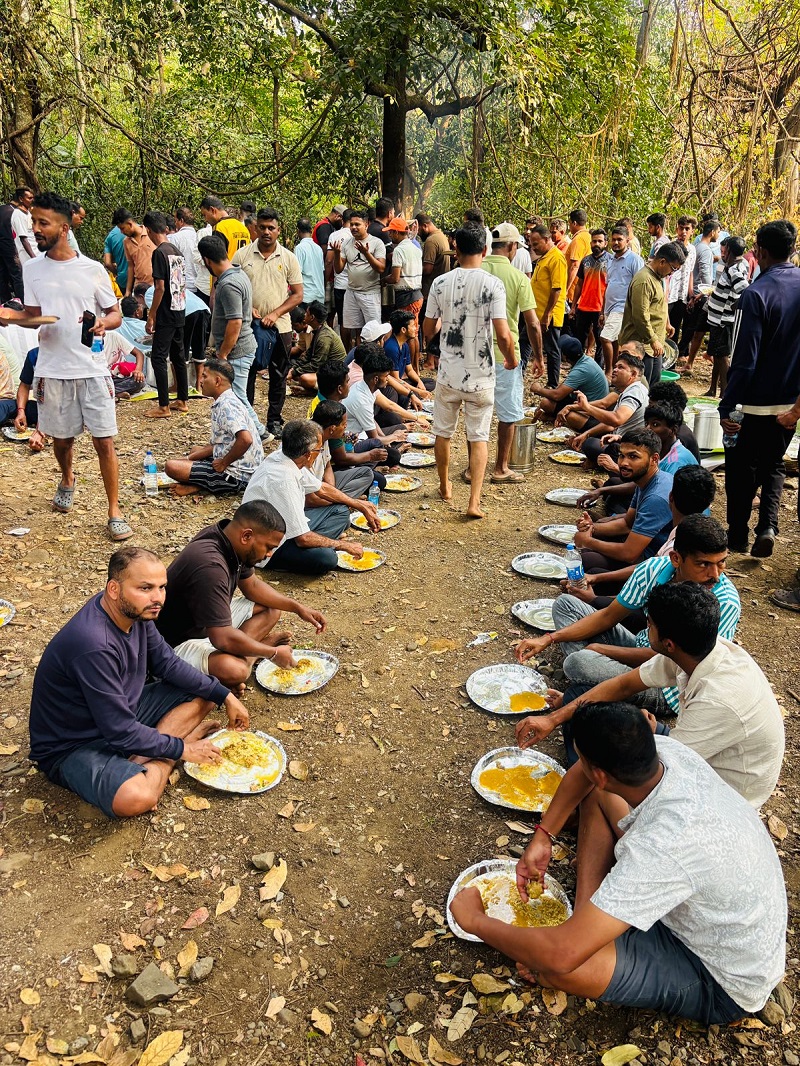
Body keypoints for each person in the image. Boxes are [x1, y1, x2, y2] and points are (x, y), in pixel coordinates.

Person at [451, 702, 787, 1025]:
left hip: (719, 977)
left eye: (582, 761)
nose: (581, 769)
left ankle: (586, 935)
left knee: (558, 966)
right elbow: (587, 779)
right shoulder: (666, 752)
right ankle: (588, 920)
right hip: (715, 914)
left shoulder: (661, 848)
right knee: (600, 798)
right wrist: (544, 835)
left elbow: (561, 954)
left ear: (598, 771)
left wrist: (475, 921)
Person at [28, 546, 252, 819]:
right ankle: (164, 758)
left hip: (123, 711)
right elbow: (120, 730)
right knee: (138, 797)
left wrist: (225, 696)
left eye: (162, 587)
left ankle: (145, 757)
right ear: (114, 589)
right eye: (145, 588)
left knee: (206, 692)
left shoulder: (137, 613)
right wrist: (183, 749)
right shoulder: (93, 644)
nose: (157, 598)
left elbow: (168, 664)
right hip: (74, 744)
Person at [529, 582, 783, 807]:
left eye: (649, 625)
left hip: (722, 795)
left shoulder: (719, 699)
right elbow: (622, 686)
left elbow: (669, 771)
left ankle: (588, 804)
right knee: (586, 706)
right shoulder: (697, 650)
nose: (646, 629)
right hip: (696, 746)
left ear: (668, 643)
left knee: (604, 781)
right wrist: (553, 719)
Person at [0, 191, 133, 540]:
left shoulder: (91, 269)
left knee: (104, 441)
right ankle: (67, 476)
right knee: (62, 440)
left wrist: (106, 323)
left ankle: (114, 510)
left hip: (91, 368)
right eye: (34, 222)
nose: (35, 229)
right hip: (51, 369)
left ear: (63, 227)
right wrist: (12, 317)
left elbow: (115, 312)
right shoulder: (32, 269)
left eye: (43, 223)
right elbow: (33, 316)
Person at [516, 514, 739, 717]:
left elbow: (677, 663)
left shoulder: (725, 602)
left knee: (579, 661)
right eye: (704, 564)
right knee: (566, 605)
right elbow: (608, 616)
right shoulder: (653, 570)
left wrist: (604, 650)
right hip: (641, 645)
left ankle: (586, 691)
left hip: (668, 685)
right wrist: (549, 638)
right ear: (676, 559)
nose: (715, 575)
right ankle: (593, 690)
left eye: (721, 563)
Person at [156, 500, 328, 688]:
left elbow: (252, 586)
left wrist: (297, 607)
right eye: (269, 547)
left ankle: (247, 652)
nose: (269, 554)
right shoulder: (210, 566)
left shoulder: (228, 539)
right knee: (236, 670)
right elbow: (221, 638)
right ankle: (248, 658)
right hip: (176, 643)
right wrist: (272, 653)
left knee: (272, 608)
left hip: (205, 624)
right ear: (246, 536)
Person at [719, 219, 800, 558]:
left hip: (752, 406)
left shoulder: (755, 295)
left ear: (761, 253)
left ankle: (737, 534)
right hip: (787, 405)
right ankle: (767, 526)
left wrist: (728, 407)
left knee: (740, 469)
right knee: (774, 464)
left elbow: (745, 360)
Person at [423, 222, 515, 518]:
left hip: (449, 372)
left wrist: (438, 328)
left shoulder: (440, 283)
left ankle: (444, 485)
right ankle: (474, 501)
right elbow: (502, 333)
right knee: (479, 437)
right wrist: (511, 358)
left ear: (456, 250)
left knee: (443, 432)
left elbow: (427, 329)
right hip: (481, 374)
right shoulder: (493, 284)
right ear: (485, 250)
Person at [243, 419, 365, 574]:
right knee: (327, 558)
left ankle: (318, 544)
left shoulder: (287, 458)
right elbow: (303, 539)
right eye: (319, 450)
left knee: (340, 511)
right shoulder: (283, 480)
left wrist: (358, 505)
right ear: (308, 455)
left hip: (286, 528)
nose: (320, 454)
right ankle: (286, 562)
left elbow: (322, 489)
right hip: (269, 545)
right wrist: (343, 546)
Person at [232, 207, 303, 440]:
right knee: (248, 372)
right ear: (255, 228)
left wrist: (275, 313)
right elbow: (230, 286)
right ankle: (248, 420)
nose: (266, 232)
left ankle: (274, 421)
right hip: (249, 326)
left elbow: (297, 295)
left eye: (271, 228)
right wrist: (246, 307)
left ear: (278, 230)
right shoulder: (242, 256)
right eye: (261, 227)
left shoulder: (289, 257)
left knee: (278, 375)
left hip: (281, 326)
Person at [482, 222, 542, 482]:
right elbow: (533, 323)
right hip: (506, 356)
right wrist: (539, 356)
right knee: (507, 415)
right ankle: (500, 468)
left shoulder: (474, 270)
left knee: (478, 413)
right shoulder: (519, 278)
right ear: (512, 247)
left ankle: (474, 467)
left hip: (474, 355)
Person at [571, 428, 674, 575]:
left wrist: (587, 541)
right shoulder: (645, 480)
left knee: (586, 560)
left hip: (656, 563)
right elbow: (627, 523)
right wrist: (591, 528)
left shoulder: (656, 497)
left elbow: (629, 554)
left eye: (633, 457)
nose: (623, 463)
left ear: (654, 459)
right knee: (597, 534)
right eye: (621, 455)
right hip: (643, 547)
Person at [198, 234, 270, 442]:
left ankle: (259, 431)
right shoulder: (237, 273)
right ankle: (252, 430)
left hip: (238, 349)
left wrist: (223, 355)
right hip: (241, 346)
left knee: (237, 396)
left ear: (207, 261)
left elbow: (235, 322)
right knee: (238, 394)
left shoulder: (229, 284)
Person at [164, 359, 263, 496]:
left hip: (237, 476)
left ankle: (199, 486)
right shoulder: (227, 399)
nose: (200, 381)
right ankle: (198, 484)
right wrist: (188, 459)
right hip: (244, 466)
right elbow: (220, 444)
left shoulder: (226, 406)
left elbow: (246, 440)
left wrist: (224, 462)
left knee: (171, 466)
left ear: (217, 381)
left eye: (204, 376)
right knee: (195, 451)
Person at [309, 360, 391, 486]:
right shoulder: (331, 414)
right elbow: (341, 459)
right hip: (332, 465)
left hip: (336, 454)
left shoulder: (324, 399)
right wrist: (370, 456)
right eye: (347, 382)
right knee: (379, 480)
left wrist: (346, 437)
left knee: (377, 444)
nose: (350, 385)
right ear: (340, 389)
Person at [563, 347, 649, 464]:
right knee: (588, 439)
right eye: (615, 366)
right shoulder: (628, 390)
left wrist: (587, 407)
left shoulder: (635, 391)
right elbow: (612, 425)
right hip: (619, 437)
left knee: (590, 445)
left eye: (621, 367)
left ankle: (604, 462)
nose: (615, 370)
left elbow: (616, 419)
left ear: (633, 374)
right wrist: (586, 434)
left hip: (631, 447)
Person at [619, 242, 686, 387]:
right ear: (662, 261)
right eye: (673, 268)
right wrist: (653, 339)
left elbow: (658, 305)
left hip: (654, 345)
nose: (672, 273)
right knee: (641, 387)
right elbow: (640, 316)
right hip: (641, 345)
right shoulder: (644, 280)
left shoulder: (657, 278)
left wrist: (666, 324)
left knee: (653, 386)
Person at [141, 210, 187, 419]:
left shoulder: (159, 252)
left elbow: (159, 287)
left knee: (159, 357)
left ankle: (163, 406)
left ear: (149, 231)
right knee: (178, 355)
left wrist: (152, 315)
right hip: (180, 309)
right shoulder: (175, 250)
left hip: (167, 311)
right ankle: (182, 400)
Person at [704, 235, 749, 398]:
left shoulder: (735, 270)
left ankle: (725, 392)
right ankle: (713, 388)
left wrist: (731, 308)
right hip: (716, 320)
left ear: (728, 250)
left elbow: (745, 291)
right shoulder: (732, 265)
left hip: (723, 321)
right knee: (716, 354)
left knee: (722, 357)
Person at [309, 399, 380, 499]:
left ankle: (339, 500)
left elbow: (327, 466)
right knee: (342, 512)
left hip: (323, 485)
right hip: (311, 493)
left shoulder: (324, 437)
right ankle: (339, 502)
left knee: (367, 473)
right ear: (332, 429)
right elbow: (309, 491)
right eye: (343, 424)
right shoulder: (309, 446)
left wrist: (332, 490)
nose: (346, 427)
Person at [335, 210, 386, 346]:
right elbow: (338, 269)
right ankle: (351, 359)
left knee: (374, 331)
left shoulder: (377, 243)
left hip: (370, 293)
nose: (353, 227)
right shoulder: (346, 243)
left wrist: (366, 253)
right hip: (351, 292)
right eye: (351, 224)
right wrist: (336, 253)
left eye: (357, 224)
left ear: (367, 224)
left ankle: (375, 359)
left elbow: (381, 268)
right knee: (353, 328)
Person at [600, 226, 644, 376]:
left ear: (627, 240)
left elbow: (640, 285)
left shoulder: (635, 260)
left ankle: (608, 371)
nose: (616, 242)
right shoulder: (611, 259)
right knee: (614, 341)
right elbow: (609, 285)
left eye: (620, 239)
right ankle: (616, 371)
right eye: (614, 239)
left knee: (605, 338)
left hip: (623, 308)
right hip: (609, 307)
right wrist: (602, 311)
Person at [531, 335, 609, 418]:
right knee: (548, 404)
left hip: (592, 408)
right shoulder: (585, 360)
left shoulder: (580, 370)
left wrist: (538, 389)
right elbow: (563, 386)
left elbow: (557, 395)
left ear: (566, 357)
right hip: (587, 400)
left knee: (545, 403)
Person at [529, 225, 568, 387]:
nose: (533, 247)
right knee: (526, 341)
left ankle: (552, 383)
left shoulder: (556, 258)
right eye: (532, 244)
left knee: (552, 348)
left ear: (546, 240)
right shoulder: (544, 257)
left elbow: (557, 288)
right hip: (535, 313)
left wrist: (547, 314)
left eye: (536, 244)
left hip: (548, 314)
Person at [680, 218, 721, 368]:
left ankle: (686, 358)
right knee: (693, 329)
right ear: (712, 232)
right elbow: (705, 275)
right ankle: (679, 355)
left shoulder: (699, 247)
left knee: (695, 330)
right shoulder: (704, 250)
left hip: (698, 293)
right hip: (700, 294)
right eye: (718, 231)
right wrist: (707, 292)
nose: (719, 234)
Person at [416, 212, 452, 369]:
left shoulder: (431, 241)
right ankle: (437, 359)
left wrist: (413, 268)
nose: (418, 234)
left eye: (418, 230)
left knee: (429, 324)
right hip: (442, 288)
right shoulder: (442, 237)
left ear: (425, 226)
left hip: (431, 289)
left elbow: (428, 268)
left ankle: (430, 360)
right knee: (439, 323)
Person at [287, 300, 345, 394]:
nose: (304, 315)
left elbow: (316, 364)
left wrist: (293, 372)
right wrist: (293, 369)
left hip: (335, 373)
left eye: (307, 313)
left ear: (312, 317)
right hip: (327, 369)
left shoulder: (324, 336)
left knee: (304, 378)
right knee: (298, 375)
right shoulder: (319, 330)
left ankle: (317, 391)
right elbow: (308, 355)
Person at [570, 229, 611, 362]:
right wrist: (573, 306)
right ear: (590, 243)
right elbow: (579, 284)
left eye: (600, 241)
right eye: (594, 241)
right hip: (583, 306)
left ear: (605, 243)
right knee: (580, 340)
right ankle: (578, 367)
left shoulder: (611, 261)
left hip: (601, 308)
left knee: (601, 341)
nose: (596, 244)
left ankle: (599, 369)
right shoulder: (585, 261)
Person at [666, 216, 697, 352]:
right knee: (664, 328)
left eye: (687, 229)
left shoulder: (692, 250)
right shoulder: (670, 248)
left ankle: (670, 363)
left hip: (682, 296)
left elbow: (690, 272)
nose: (683, 231)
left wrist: (690, 294)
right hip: (669, 295)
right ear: (676, 228)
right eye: (681, 228)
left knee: (676, 328)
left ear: (692, 231)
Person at [388, 217, 423, 329]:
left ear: (396, 232)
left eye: (391, 232)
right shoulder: (415, 248)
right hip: (416, 294)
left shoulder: (399, 250)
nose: (389, 235)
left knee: (408, 333)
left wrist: (383, 280)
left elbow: (395, 278)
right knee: (413, 330)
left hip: (406, 296)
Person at [119, 214, 155, 297]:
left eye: (122, 228)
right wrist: (128, 290)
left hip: (154, 285)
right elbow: (131, 266)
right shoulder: (126, 242)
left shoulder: (150, 233)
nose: (122, 232)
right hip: (138, 286)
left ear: (130, 224)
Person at [294, 218, 325, 305]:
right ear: (311, 230)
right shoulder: (318, 248)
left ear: (298, 231)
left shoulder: (299, 248)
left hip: (307, 295)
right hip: (319, 294)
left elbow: (297, 273)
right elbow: (322, 269)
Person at [566, 209, 592, 307]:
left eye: (570, 224)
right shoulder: (589, 237)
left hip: (574, 292)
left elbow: (574, 266)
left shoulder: (579, 239)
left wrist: (566, 289)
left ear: (574, 223)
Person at [170, 207, 198, 294]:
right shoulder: (199, 235)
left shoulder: (175, 238)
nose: (175, 224)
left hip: (183, 286)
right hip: (199, 285)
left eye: (176, 221)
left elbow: (174, 265)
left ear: (181, 221)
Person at [102, 207, 129, 294]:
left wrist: (116, 272)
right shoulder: (140, 230)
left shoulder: (110, 237)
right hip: (141, 277)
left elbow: (108, 263)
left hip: (123, 279)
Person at [11, 187, 37, 268]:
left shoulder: (28, 213)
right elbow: (23, 239)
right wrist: (34, 258)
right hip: (28, 257)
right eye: (29, 198)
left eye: (33, 198)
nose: (32, 200)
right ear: (21, 199)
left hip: (37, 252)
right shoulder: (18, 215)